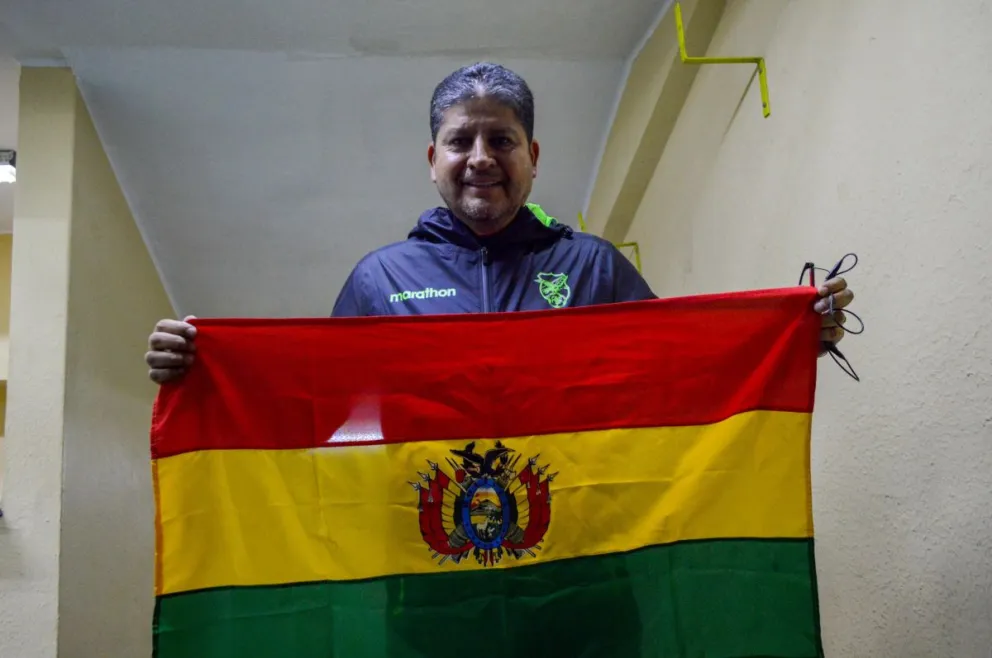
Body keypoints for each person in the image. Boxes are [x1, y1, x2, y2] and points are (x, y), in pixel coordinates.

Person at [143, 62, 855, 654]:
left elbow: (679, 383)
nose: (480, 157)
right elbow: (319, 423)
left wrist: (792, 338)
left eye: (501, 139)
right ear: (432, 161)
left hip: (587, 590)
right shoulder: (378, 280)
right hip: (431, 593)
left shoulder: (595, 269)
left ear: (533, 157)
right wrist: (202, 373)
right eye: (460, 141)